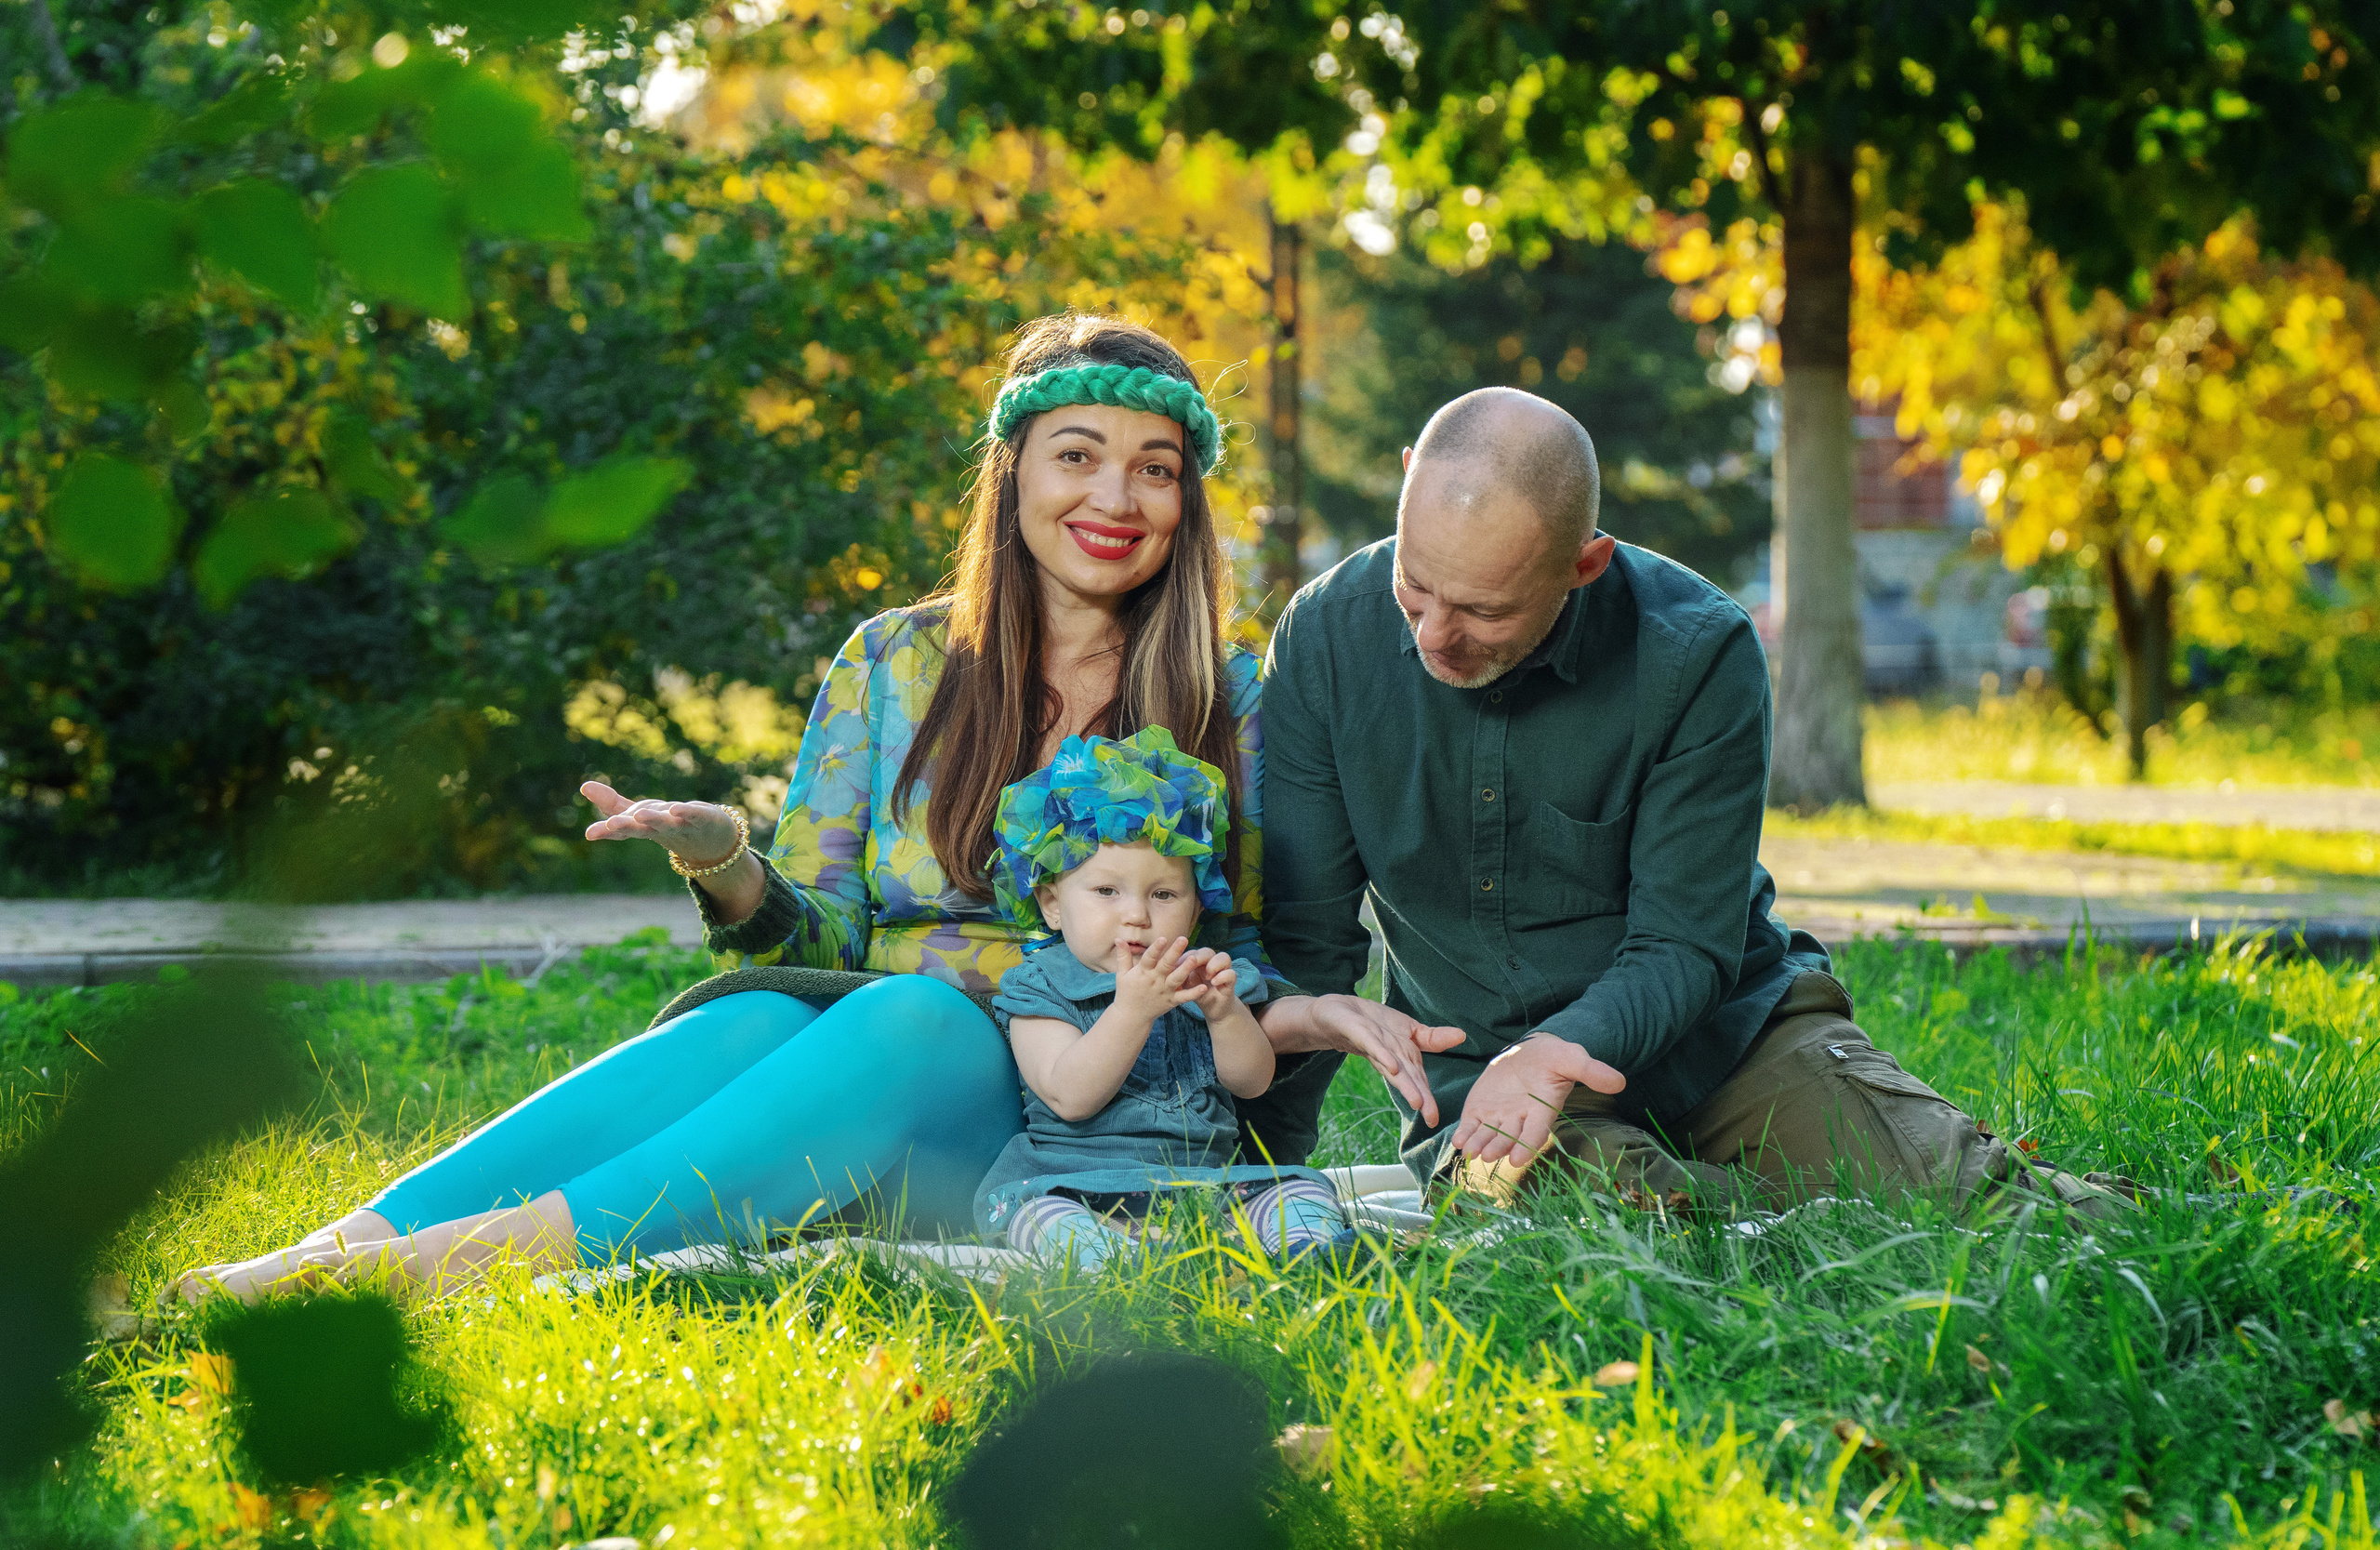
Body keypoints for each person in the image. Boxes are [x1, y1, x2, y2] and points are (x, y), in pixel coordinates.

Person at [175, 312, 1448, 1304]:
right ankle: (307, 1261)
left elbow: (1244, 954)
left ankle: (452, 1267)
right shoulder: (893, 664)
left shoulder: (1230, 695)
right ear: (1011, 475)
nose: (1116, 500)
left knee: (914, 1017)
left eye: (1155, 470)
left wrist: (1303, 1010)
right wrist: (724, 854)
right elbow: (811, 946)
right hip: (858, 1057)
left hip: (1070, 1123)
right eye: (1079, 457)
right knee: (744, 1031)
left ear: (1188, 500)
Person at [1258, 386, 2129, 1218]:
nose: (1433, 636)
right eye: (1415, 589)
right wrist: (1267, 1179)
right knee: (1604, 1222)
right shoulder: (1322, 640)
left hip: (1732, 1045)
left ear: (1584, 564)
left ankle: (2237, 1224)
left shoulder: (1699, 649)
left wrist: (1563, 1049)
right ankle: (1785, 1214)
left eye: (1483, 611)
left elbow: (1683, 942)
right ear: (1410, 477)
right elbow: (1311, 945)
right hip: (1488, 1095)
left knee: (1974, 1203)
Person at [972, 727, 1352, 1269]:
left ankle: (1312, 1256)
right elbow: (1069, 1094)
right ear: (1052, 904)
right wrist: (1131, 1011)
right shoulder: (1040, 987)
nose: (1137, 915)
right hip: (1076, 1186)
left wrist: (1226, 1015)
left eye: (1164, 894)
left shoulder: (1207, 979)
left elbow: (1252, 1081)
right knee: (1042, 1219)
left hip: (1206, 1187)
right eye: (1106, 891)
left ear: (1197, 910)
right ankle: (1109, 1270)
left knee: (1297, 1189)